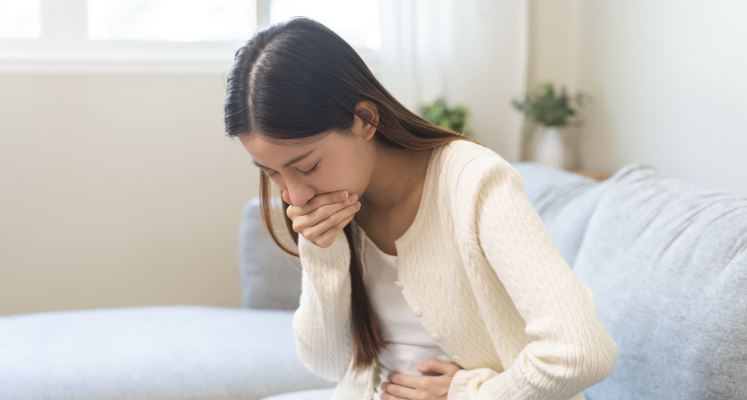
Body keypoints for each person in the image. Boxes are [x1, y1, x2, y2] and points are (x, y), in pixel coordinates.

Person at [223, 16, 618, 400]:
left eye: (307, 166)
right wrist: (322, 252)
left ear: (364, 119)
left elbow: (583, 351)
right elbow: (328, 363)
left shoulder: (473, 181)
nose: (295, 196)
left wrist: (472, 394)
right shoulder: (332, 210)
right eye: (272, 173)